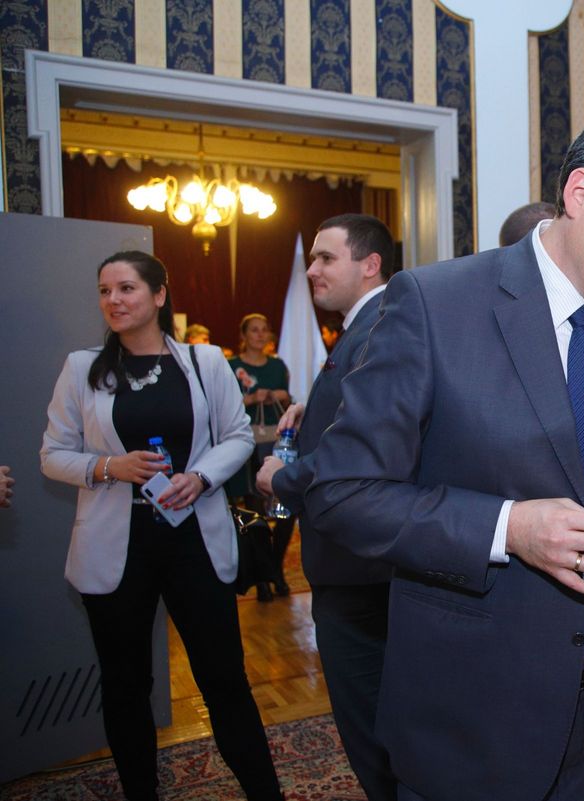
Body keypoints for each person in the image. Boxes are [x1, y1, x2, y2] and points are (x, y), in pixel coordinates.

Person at [302, 90, 584, 800]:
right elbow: (340, 492)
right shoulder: (435, 306)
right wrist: (509, 528)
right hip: (474, 714)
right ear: (580, 192)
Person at [39, 251, 282, 801]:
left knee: (224, 680)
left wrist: (200, 477)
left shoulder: (204, 361)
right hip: (115, 546)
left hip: (194, 539)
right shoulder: (82, 368)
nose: (113, 300)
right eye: (104, 291)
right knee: (126, 687)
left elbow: (238, 436)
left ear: (158, 295)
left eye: (126, 288)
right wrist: (110, 467)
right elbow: (52, 456)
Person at [255, 213, 396, 801]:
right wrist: (310, 411)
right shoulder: (366, 328)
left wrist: (282, 478)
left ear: (370, 265)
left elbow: (363, 451)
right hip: (363, 565)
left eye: (325, 258)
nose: (312, 269)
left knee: (372, 731)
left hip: (359, 569)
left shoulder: (378, 329)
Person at [227, 313, 292, 601]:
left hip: (275, 444)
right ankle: (262, 577)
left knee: (284, 509)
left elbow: (288, 398)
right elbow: (223, 404)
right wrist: (251, 399)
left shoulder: (278, 366)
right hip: (246, 446)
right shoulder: (231, 366)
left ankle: (276, 568)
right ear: (243, 335)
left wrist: (280, 395)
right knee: (255, 512)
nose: (260, 334)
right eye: (254, 330)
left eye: (264, 329)